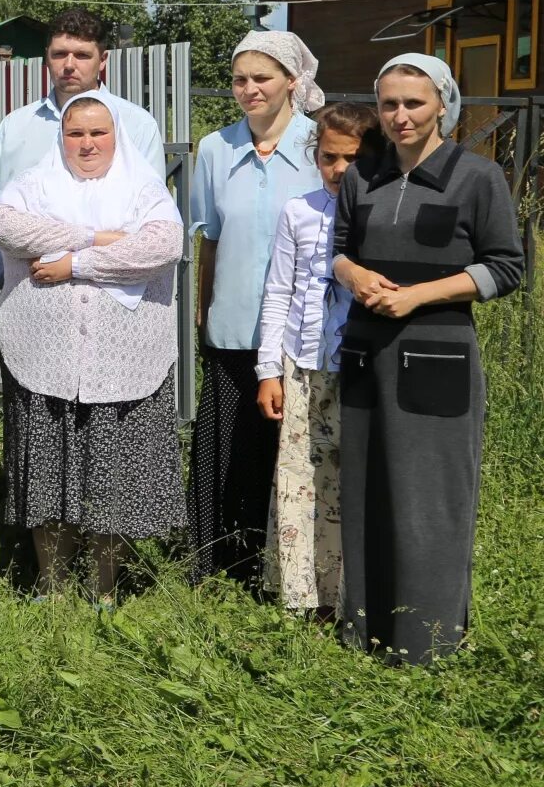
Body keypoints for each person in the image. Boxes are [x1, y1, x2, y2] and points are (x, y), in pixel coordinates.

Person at [333, 55, 523, 664]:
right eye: (389, 104)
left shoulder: (477, 177)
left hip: (438, 356)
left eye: (414, 103)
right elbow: (337, 251)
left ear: (443, 103)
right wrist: (357, 275)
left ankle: (428, 644)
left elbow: (506, 267)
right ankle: (364, 631)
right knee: (365, 491)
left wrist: (417, 295)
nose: (400, 116)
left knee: (430, 499)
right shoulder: (363, 175)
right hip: (366, 353)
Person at [0, 95, 185, 602]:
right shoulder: (35, 181)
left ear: (116, 135)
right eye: (76, 133)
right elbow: (8, 228)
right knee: (48, 474)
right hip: (44, 359)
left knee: (110, 478)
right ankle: (52, 585)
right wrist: (96, 238)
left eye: (98, 133)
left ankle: (104, 589)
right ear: (62, 137)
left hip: (123, 363)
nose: (87, 143)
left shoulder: (142, 188)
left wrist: (74, 265)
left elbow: (162, 247)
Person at [189, 32, 324, 588]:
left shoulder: (322, 143)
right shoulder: (215, 149)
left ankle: (288, 567)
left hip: (304, 332)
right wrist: (205, 311)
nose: (248, 89)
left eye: (261, 78)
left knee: (290, 452)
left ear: (292, 81)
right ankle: (220, 562)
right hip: (234, 323)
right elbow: (210, 240)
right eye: (240, 79)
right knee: (226, 447)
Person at [256, 102, 379, 617]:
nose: (338, 171)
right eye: (329, 158)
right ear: (316, 154)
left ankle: (351, 595)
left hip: (357, 367)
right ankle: (302, 593)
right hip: (302, 364)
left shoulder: (380, 213)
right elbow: (278, 291)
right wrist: (268, 369)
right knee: (300, 480)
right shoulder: (298, 211)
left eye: (351, 159)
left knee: (350, 482)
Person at [0, 6, 164, 185]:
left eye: (82, 55)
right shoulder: (14, 127)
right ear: (47, 57)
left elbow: (152, 204)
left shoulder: (137, 126)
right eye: (59, 54)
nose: (69, 64)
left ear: (103, 60)